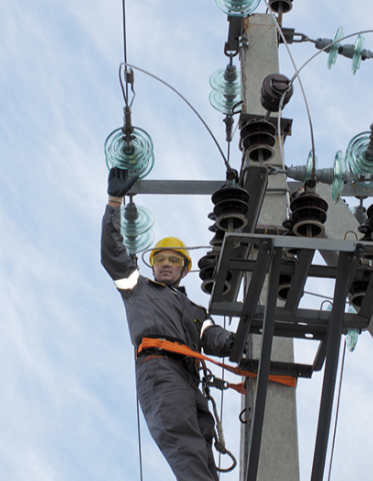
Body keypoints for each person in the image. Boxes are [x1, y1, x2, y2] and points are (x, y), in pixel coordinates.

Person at [101, 167, 237, 481]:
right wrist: (114, 203)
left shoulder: (193, 310)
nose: (165, 263)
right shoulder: (137, 287)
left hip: (189, 378)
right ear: (152, 263)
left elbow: (210, 335)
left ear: (183, 270)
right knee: (186, 450)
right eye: (160, 258)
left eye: (173, 260)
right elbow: (111, 254)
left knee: (203, 452)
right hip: (160, 369)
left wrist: (234, 341)